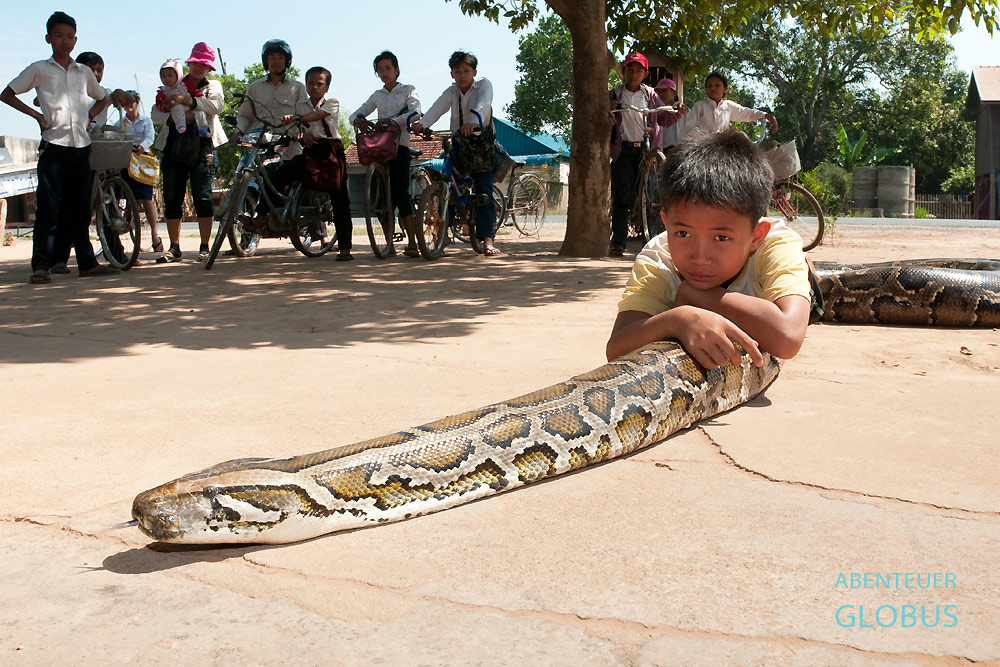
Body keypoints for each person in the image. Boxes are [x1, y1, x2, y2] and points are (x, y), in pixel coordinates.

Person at [605, 129, 811, 369]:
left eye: (721, 237)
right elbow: (616, 350)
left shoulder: (774, 244)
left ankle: (808, 280)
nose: (700, 257)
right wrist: (676, 320)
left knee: (804, 286)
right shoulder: (659, 259)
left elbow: (787, 339)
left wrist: (695, 296)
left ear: (756, 236)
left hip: (781, 269)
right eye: (683, 234)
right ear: (666, 222)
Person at [0, 11, 119, 283]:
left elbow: (103, 98)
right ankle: (41, 266)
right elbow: (7, 94)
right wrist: (37, 116)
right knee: (49, 208)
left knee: (79, 208)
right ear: (48, 38)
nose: (64, 42)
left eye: (69, 37)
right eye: (58, 36)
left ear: (75, 41)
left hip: (81, 147)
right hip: (53, 146)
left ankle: (87, 263)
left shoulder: (83, 72)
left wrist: (88, 117)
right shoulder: (39, 69)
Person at [412, 51, 501, 257]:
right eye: (457, 71)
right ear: (452, 74)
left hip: (481, 145)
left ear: (474, 72)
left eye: (466, 71)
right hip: (460, 144)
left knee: (483, 192)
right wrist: (422, 125)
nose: (462, 75)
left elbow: (484, 105)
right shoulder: (451, 92)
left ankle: (487, 239)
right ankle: (443, 236)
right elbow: (436, 109)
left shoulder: (484, 85)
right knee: (447, 185)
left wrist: (474, 121)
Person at [150, 41, 227, 263]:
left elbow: (216, 106)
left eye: (204, 65)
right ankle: (174, 247)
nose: (199, 68)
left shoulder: (213, 86)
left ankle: (205, 246)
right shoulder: (173, 82)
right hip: (174, 146)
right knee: (172, 197)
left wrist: (189, 101)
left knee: (203, 196)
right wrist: (173, 118)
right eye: (195, 63)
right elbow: (155, 112)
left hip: (204, 146)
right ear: (189, 63)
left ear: (209, 68)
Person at [608, 53, 686, 257]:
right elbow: (606, 118)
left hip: (647, 148)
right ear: (623, 72)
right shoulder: (615, 94)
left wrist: (677, 111)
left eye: (638, 71)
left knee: (652, 193)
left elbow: (664, 119)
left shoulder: (650, 95)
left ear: (645, 74)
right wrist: (610, 109)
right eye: (630, 70)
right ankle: (618, 243)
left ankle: (652, 241)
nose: (634, 74)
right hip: (623, 150)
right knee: (622, 196)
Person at [350, 51, 422, 257]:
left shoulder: (408, 90)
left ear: (397, 70)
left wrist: (391, 122)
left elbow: (415, 112)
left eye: (388, 68)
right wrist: (359, 121)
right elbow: (356, 114)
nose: (384, 73)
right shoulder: (377, 96)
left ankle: (412, 242)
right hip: (380, 150)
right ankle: (388, 243)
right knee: (380, 197)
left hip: (400, 147)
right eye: (380, 70)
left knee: (401, 193)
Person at [283, 66, 354, 261]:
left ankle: (345, 247)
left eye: (319, 84)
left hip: (331, 149)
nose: (314, 87)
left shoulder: (332, 103)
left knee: (340, 198)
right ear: (306, 85)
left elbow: (316, 116)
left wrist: (296, 119)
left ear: (327, 87)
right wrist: (301, 135)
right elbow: (294, 131)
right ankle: (260, 217)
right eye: (311, 83)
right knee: (283, 172)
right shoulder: (300, 105)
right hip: (310, 150)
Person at [119, 91, 163, 255]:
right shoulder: (120, 122)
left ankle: (155, 235)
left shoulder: (145, 120)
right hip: (125, 161)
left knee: (146, 198)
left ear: (137, 103)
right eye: (125, 104)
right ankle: (120, 224)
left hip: (141, 161)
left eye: (131, 103)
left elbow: (150, 137)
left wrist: (142, 146)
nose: (128, 107)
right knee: (120, 193)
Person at [685, 71, 778, 137]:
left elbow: (747, 113)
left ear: (725, 89)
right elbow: (689, 128)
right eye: (709, 85)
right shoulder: (699, 105)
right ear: (706, 89)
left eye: (717, 85)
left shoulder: (728, 106)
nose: (713, 88)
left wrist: (765, 115)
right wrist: (708, 135)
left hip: (723, 146)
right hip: (702, 147)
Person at [156, 59, 210, 138]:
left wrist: (200, 96)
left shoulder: (185, 85)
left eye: (170, 76)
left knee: (199, 111)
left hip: (189, 107)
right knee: (177, 109)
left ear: (178, 75)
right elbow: (158, 104)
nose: (167, 79)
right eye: (163, 76)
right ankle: (180, 125)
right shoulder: (162, 91)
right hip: (175, 108)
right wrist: (165, 107)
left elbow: (194, 91)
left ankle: (202, 129)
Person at [653, 78, 686, 152]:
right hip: (660, 152)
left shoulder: (682, 109)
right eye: (658, 91)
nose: (661, 94)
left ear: (673, 93)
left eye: (664, 90)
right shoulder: (655, 111)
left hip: (679, 151)